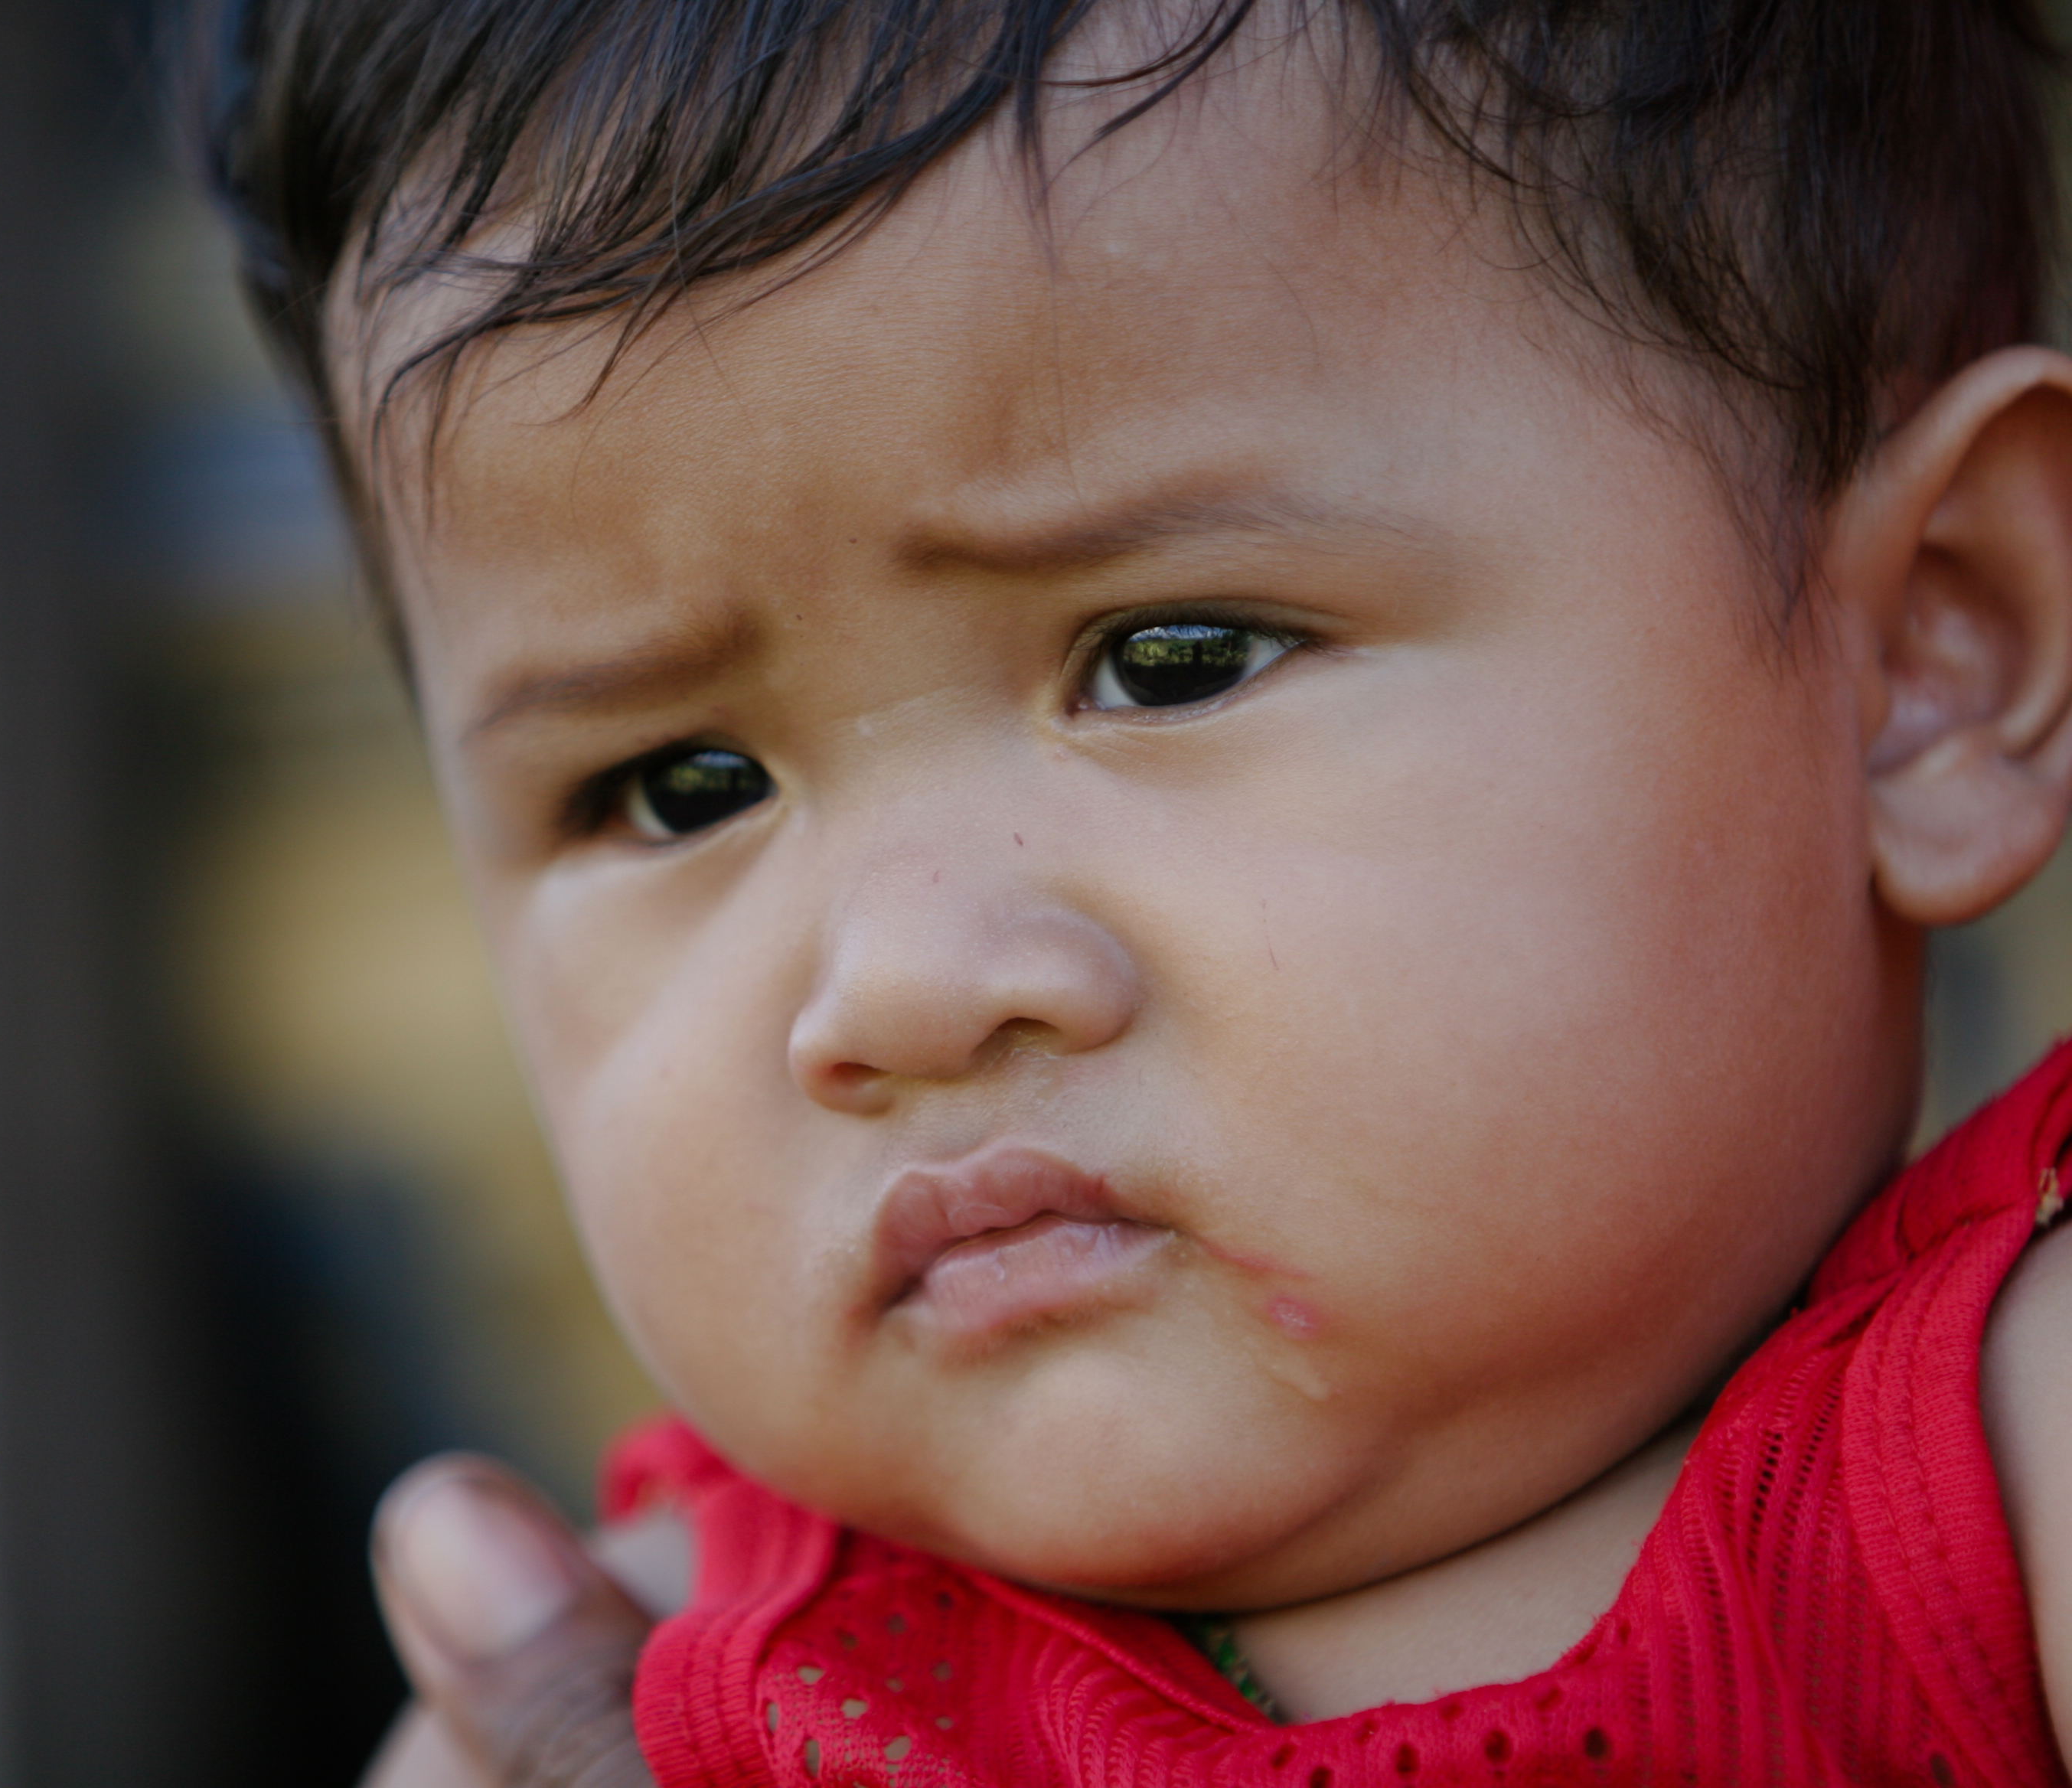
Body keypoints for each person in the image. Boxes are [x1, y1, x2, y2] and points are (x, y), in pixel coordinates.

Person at [200, 0, 2072, 1780]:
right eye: (678, 788)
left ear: (1930, 655)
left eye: (1173, 657)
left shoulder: (2001, 1485)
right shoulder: (656, 1697)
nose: (905, 984)